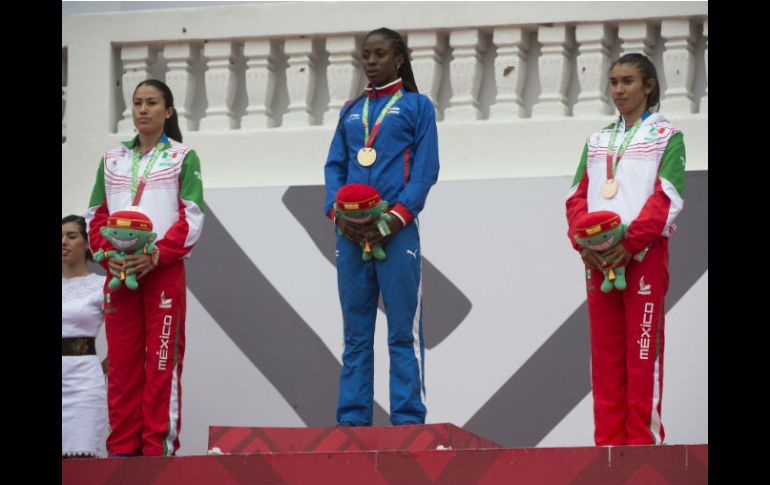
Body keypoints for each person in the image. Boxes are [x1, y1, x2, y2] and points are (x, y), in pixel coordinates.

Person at [565, 53, 686, 446]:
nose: (618, 90)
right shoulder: (597, 140)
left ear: (649, 86)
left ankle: (643, 447)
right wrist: (584, 244)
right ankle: (609, 449)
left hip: (643, 257)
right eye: (614, 82)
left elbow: (666, 198)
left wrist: (629, 243)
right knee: (605, 359)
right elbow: (576, 197)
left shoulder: (668, 136)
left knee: (642, 354)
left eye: (628, 81)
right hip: (597, 260)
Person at [324, 27, 440, 426]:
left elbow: (426, 171)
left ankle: (408, 421)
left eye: (379, 54)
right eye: (366, 55)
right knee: (355, 336)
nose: (371, 62)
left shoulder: (417, 106)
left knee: (402, 333)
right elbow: (335, 166)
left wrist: (396, 217)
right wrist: (337, 213)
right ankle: (352, 421)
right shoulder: (350, 111)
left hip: (398, 230)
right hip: (351, 234)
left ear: (399, 59)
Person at [85, 79, 205, 456]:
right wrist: (108, 255)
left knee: (162, 362)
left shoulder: (183, 157)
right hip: (120, 272)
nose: (142, 109)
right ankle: (121, 450)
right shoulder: (111, 160)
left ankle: (157, 450)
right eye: (137, 103)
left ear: (168, 111)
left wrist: (155, 255)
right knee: (121, 365)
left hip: (162, 273)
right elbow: (95, 216)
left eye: (152, 103)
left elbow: (192, 217)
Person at [62, 215, 108, 458]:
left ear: (87, 243)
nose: (64, 242)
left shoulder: (102, 285)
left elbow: (125, 337)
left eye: (71, 236)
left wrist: (99, 367)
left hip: (83, 385)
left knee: (79, 464)